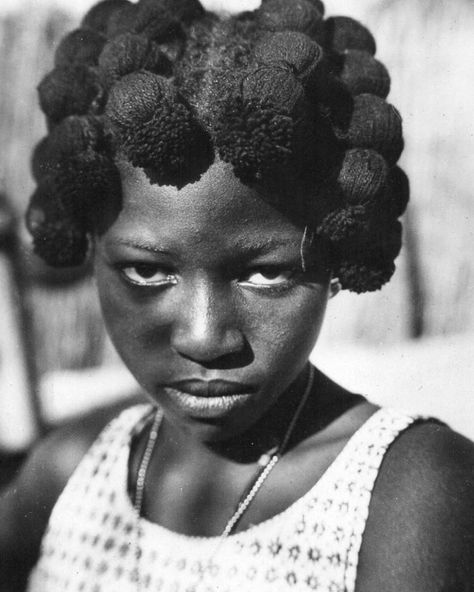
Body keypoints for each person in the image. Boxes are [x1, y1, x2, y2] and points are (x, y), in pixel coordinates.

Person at [1, 0, 473, 590]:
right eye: (148, 273)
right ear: (94, 250)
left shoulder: (408, 491)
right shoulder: (69, 474)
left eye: (267, 275)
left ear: (333, 256)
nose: (204, 337)